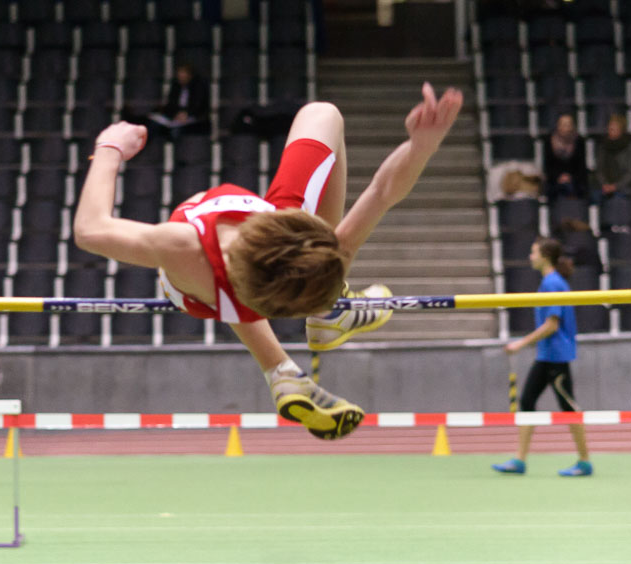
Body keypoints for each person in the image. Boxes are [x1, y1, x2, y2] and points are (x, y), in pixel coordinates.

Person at [74, 83, 464, 439]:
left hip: (197, 288)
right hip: (258, 281)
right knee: (324, 115)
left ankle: (281, 369)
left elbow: (90, 230)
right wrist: (421, 147)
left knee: (323, 117)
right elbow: (381, 191)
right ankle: (326, 313)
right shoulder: (319, 244)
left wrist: (110, 148)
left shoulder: (181, 245)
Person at [492, 237, 592, 476]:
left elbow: (552, 325)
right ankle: (519, 460)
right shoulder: (551, 281)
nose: (530, 256)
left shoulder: (553, 284)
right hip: (547, 355)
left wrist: (520, 344)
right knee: (526, 403)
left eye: (533, 252)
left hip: (555, 357)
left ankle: (585, 461)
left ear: (545, 256)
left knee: (569, 408)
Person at [146, 63, 210, 137]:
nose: (181, 77)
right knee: (153, 125)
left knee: (176, 131)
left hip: (194, 120)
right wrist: (175, 114)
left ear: (190, 75)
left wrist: (187, 114)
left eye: (183, 74)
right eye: (179, 74)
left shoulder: (199, 87)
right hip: (175, 119)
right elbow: (171, 104)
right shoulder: (175, 86)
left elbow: (199, 106)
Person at [543, 113, 588, 203]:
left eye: (568, 124)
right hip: (554, 180)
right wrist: (558, 177)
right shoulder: (549, 141)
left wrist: (570, 178)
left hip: (575, 181)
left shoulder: (579, 141)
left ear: (572, 126)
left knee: (575, 189)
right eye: (563, 124)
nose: (566, 127)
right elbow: (547, 166)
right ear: (558, 126)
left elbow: (581, 166)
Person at [594, 113, 631, 202]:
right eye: (610, 128)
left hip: (624, 187)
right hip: (605, 187)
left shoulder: (629, 146)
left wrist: (615, 186)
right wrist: (605, 184)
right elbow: (599, 169)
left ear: (621, 130)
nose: (611, 131)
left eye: (614, 129)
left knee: (619, 199)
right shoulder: (603, 146)